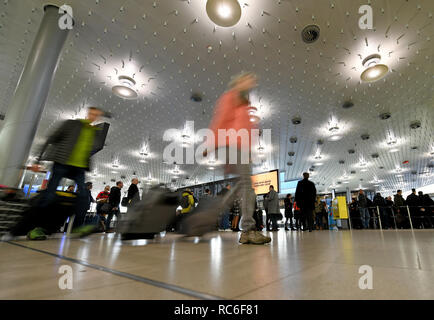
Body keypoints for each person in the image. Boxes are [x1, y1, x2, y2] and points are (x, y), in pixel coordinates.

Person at [205, 72, 271, 245]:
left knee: (243, 185)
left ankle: (213, 212)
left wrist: (249, 152)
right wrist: (210, 143)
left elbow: (247, 133)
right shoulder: (230, 97)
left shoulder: (244, 107)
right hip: (232, 146)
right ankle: (248, 230)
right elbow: (220, 120)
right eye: (247, 80)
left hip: (240, 149)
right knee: (247, 187)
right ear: (238, 82)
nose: (251, 82)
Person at [27, 106, 105, 239]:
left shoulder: (94, 132)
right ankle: (35, 228)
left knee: (83, 197)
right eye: (92, 113)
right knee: (49, 195)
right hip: (62, 163)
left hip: (79, 168)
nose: (94, 117)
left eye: (96, 115)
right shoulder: (72, 124)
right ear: (88, 113)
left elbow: (89, 151)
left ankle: (77, 227)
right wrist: (37, 161)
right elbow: (51, 139)